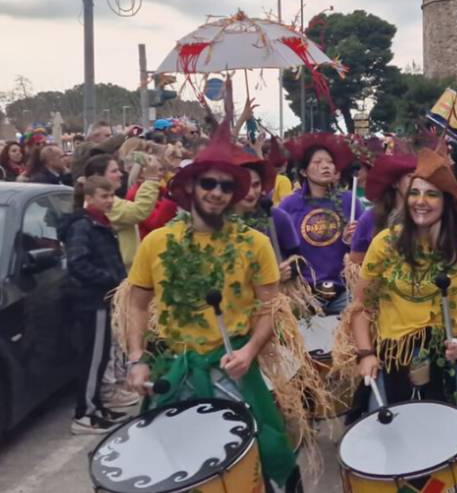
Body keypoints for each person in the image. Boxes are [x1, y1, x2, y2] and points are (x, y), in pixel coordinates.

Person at [119, 126, 300, 490]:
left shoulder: (255, 244)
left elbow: (271, 308)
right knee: (173, 463)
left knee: (261, 456)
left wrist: (249, 351)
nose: (217, 193)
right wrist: (137, 358)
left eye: (226, 186)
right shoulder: (157, 242)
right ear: (191, 187)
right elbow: (137, 305)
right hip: (174, 368)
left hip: (232, 368)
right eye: (208, 184)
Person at [346, 146, 457, 493]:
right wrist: (366, 353)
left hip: (448, 360)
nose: (420, 201)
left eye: (431, 194)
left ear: (446, 201)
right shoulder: (385, 243)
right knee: (383, 443)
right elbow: (360, 309)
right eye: (414, 192)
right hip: (392, 360)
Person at [61, 176, 130, 434]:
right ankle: (85, 414)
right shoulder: (83, 226)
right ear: (89, 198)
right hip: (92, 301)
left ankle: (97, 407)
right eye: (104, 196)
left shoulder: (99, 223)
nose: (110, 200)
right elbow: (78, 262)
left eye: (112, 195)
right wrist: (111, 281)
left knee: (100, 357)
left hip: (102, 299)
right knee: (92, 359)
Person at [278, 132, 362, 314]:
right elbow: (277, 248)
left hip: (345, 293)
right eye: (317, 163)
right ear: (303, 171)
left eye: (330, 162)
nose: (326, 166)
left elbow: (366, 249)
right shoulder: (288, 205)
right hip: (303, 295)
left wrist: (352, 241)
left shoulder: (351, 201)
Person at [81, 153, 162, 270]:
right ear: (98, 176)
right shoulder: (103, 204)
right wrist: (151, 179)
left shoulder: (107, 200)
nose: (120, 174)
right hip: (120, 271)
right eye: (114, 171)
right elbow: (139, 211)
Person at [346, 152, 416, 272]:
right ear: (395, 183)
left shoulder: (427, 216)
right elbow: (356, 263)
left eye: (420, 177)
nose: (416, 182)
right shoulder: (370, 218)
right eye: (410, 176)